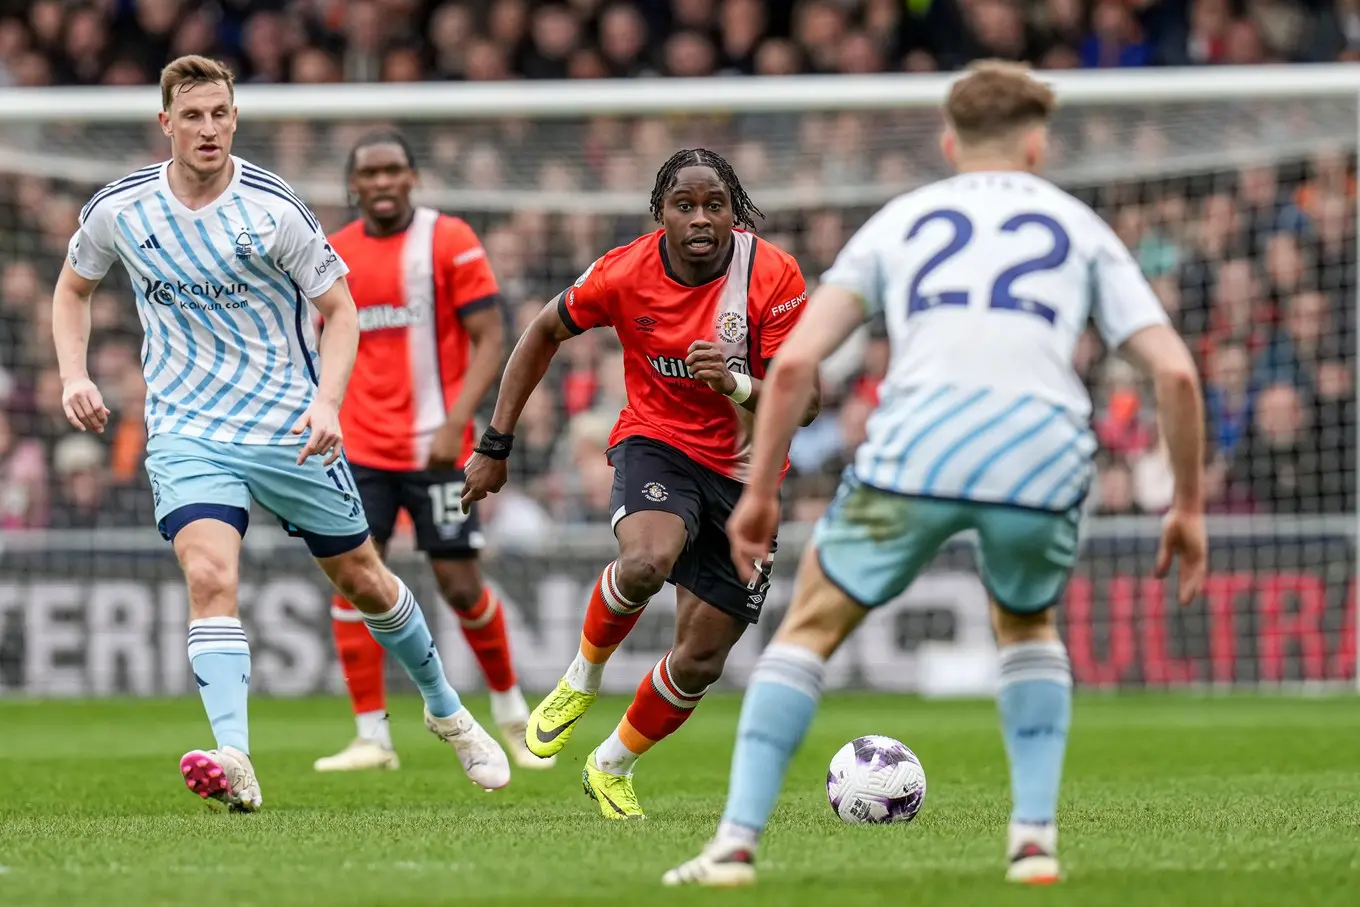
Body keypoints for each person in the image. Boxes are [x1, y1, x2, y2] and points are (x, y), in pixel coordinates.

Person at [662, 60, 1208, 887]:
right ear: (1035, 144)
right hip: (1041, 450)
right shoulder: (1079, 224)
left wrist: (764, 491)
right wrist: (1189, 506)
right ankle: (1032, 841)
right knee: (1026, 628)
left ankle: (734, 845)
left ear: (950, 142)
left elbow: (800, 358)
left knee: (807, 629)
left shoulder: (902, 220)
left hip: (921, 443)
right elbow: (1173, 372)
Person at [52, 55, 511, 812]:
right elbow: (74, 288)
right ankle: (234, 753)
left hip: (286, 427)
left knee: (364, 579)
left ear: (235, 119)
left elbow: (343, 310)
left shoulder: (274, 208)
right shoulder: (121, 208)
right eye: (193, 115)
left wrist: (328, 403)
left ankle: (445, 710)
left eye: (220, 114)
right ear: (165, 122)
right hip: (187, 429)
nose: (209, 129)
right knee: (209, 576)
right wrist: (75, 373)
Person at [460, 148, 817, 819]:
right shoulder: (625, 271)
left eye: (715, 203)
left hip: (749, 473)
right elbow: (541, 331)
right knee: (648, 559)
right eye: (686, 205)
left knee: (702, 657)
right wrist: (496, 443)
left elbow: (810, 400)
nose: (701, 217)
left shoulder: (772, 273)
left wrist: (735, 381)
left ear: (733, 210)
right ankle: (581, 676)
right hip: (659, 444)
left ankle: (611, 763)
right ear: (662, 213)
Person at [312, 131, 547, 773]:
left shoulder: (450, 239)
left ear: (413, 177)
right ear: (353, 186)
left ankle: (511, 712)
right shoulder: (333, 252)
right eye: (370, 173)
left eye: (394, 170)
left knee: (459, 582)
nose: (383, 182)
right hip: (359, 451)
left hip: (438, 450)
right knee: (355, 579)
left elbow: (491, 336)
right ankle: (371, 736)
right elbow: (319, 341)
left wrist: (458, 422)